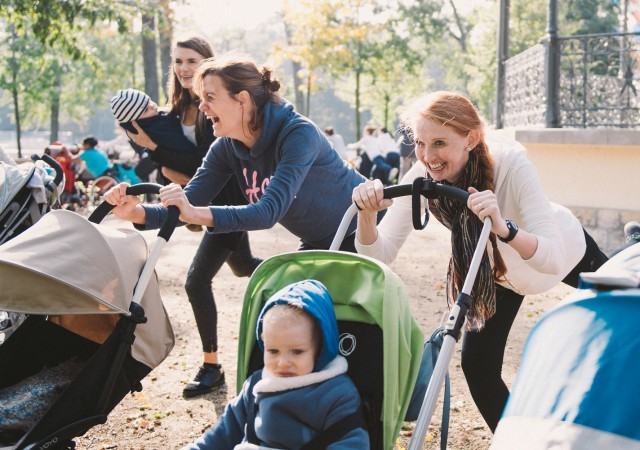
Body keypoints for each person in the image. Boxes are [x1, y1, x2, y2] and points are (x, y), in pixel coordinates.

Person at [104, 51, 372, 396]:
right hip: (317, 239)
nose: (202, 108)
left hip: (360, 230)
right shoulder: (226, 148)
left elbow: (267, 211)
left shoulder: (297, 134)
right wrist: (138, 213)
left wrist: (198, 214)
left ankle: (352, 404)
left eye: (210, 98)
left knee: (341, 331)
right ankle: (294, 403)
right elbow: (190, 201)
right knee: (290, 321)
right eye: (201, 99)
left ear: (242, 100)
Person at [351, 91, 609, 433]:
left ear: (470, 138)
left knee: (629, 303)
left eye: (440, 143)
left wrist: (504, 229)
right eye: (420, 143)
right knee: (478, 368)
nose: (429, 156)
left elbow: (553, 257)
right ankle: (515, 442)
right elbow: (380, 256)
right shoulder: (422, 176)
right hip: (496, 276)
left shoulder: (512, 164)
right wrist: (366, 216)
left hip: (563, 251)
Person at [121, 38, 263, 398]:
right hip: (201, 201)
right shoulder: (173, 112)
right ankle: (298, 267)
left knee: (195, 281)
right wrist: (162, 160)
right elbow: (169, 166)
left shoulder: (211, 108)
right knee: (245, 266)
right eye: (179, 61)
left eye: (193, 60)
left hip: (226, 205)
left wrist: (160, 154)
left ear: (208, 63)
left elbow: (206, 162)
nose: (184, 68)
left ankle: (211, 366)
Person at [183, 279, 369, 450]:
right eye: (273, 351)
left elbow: (352, 443)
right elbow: (223, 433)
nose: (283, 362)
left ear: (320, 348)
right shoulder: (256, 385)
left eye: (297, 352)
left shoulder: (337, 394)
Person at [110, 88, 202, 181]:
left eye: (149, 100)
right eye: (146, 109)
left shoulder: (153, 121)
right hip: (191, 166)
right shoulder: (157, 128)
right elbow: (183, 147)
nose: (152, 106)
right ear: (136, 122)